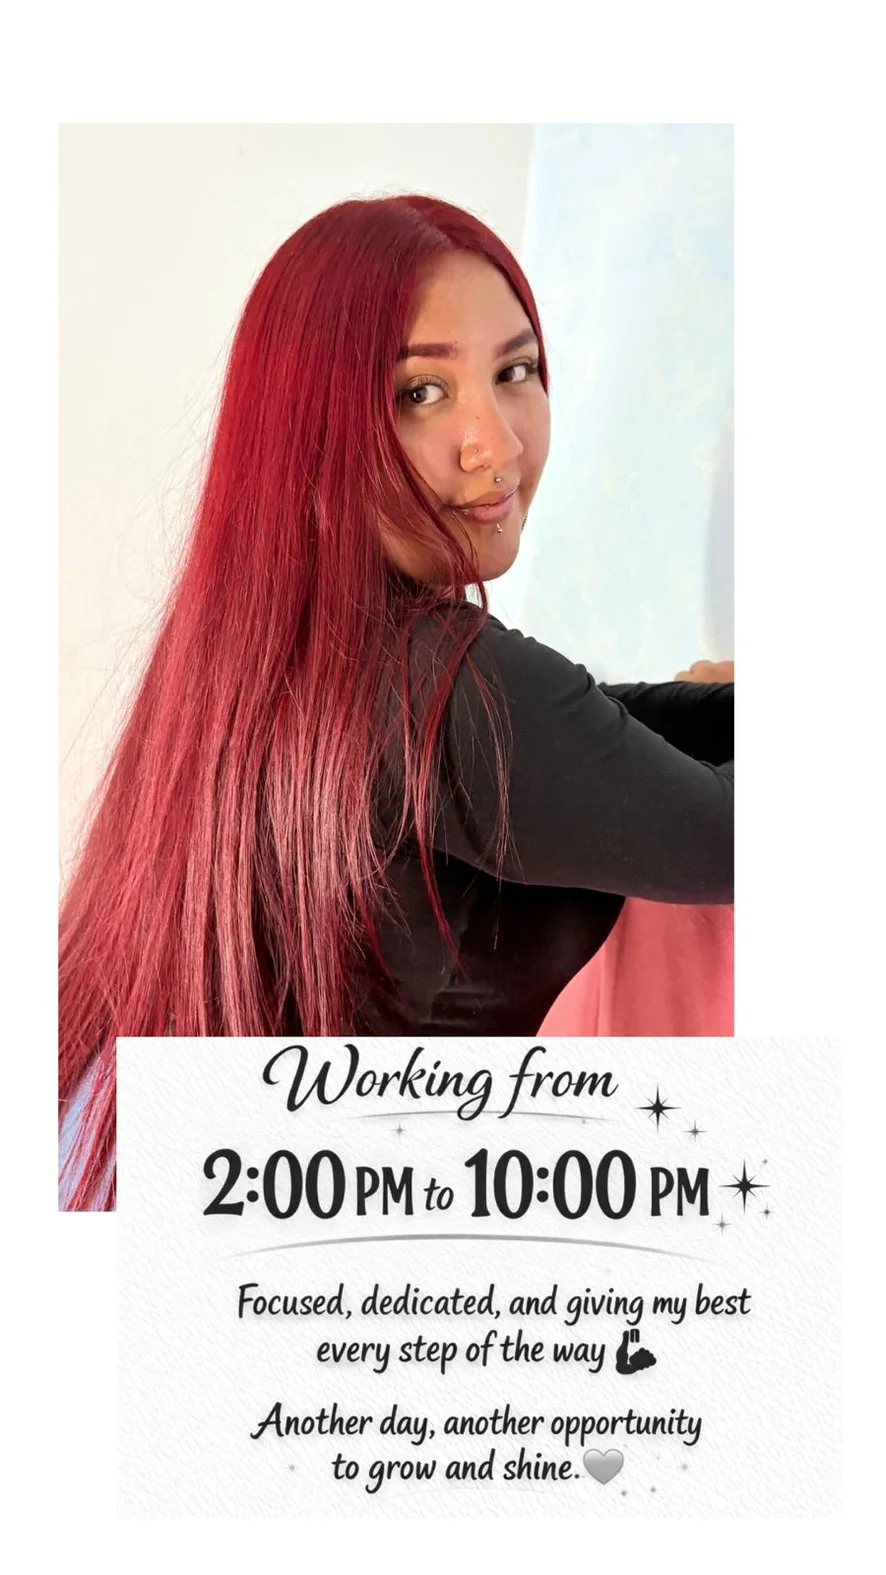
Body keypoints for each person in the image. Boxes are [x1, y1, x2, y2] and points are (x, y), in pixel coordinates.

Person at [59, 193, 733, 1210]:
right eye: (422, 392)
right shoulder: (448, 688)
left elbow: (589, 728)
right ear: (315, 428)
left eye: (515, 373)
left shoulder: (271, 645)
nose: (494, 444)